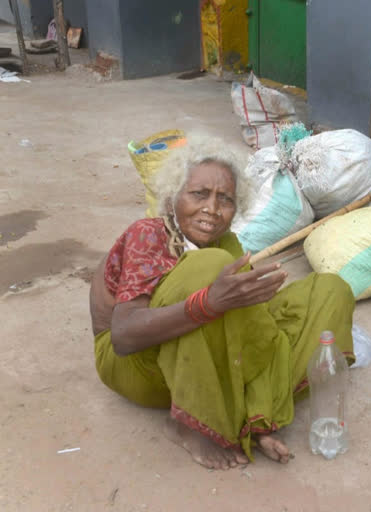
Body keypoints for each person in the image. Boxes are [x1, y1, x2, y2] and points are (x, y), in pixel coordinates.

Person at [89, 137, 355, 469]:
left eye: (225, 200)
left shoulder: (227, 242)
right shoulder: (150, 234)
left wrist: (241, 304)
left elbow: (252, 332)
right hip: (137, 367)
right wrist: (209, 303)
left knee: (328, 290)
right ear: (174, 196)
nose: (212, 210)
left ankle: (256, 419)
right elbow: (123, 336)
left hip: (198, 358)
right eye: (199, 194)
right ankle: (188, 424)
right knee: (210, 268)